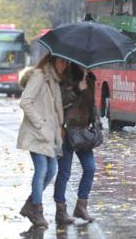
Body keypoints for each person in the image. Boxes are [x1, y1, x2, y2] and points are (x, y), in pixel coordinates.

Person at [17, 53, 68, 227]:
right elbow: (25, 102)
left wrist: (58, 127)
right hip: (37, 133)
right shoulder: (39, 76)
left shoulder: (53, 80)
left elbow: (53, 109)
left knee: (51, 170)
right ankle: (36, 209)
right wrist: (40, 124)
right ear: (52, 60)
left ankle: (31, 204)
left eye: (66, 62)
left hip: (48, 135)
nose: (65, 65)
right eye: (62, 61)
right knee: (42, 169)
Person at [54, 62, 98, 224]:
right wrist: (77, 88)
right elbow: (59, 101)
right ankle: (60, 210)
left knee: (90, 167)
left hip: (83, 132)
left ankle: (81, 207)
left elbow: (91, 104)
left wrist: (96, 123)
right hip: (67, 131)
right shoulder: (65, 77)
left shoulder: (91, 78)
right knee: (64, 172)